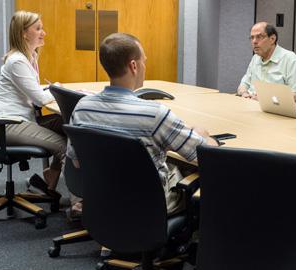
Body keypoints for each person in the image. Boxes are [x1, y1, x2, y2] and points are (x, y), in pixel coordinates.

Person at [67, 33, 219, 215]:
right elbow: (204, 156)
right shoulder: (154, 114)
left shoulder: (82, 108)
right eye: (143, 61)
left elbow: (76, 162)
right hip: (149, 205)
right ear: (134, 66)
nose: (145, 66)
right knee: (195, 171)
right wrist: (205, 136)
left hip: (101, 197)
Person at [0, 10, 65, 198]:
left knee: (70, 126)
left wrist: (52, 89)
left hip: (19, 121)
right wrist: (57, 91)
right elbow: (41, 99)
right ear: (23, 33)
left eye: (42, 28)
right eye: (38, 29)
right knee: (63, 146)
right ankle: (79, 205)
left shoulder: (29, 57)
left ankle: (48, 180)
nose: (43, 33)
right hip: (3, 126)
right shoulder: (17, 61)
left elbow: (35, 93)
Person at [237, 22, 296, 102]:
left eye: (259, 37)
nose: (254, 41)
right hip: (250, 104)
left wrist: (266, 99)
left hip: (274, 109)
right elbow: (244, 84)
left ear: (272, 39)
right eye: (252, 38)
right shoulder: (255, 58)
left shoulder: (291, 59)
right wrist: (244, 93)